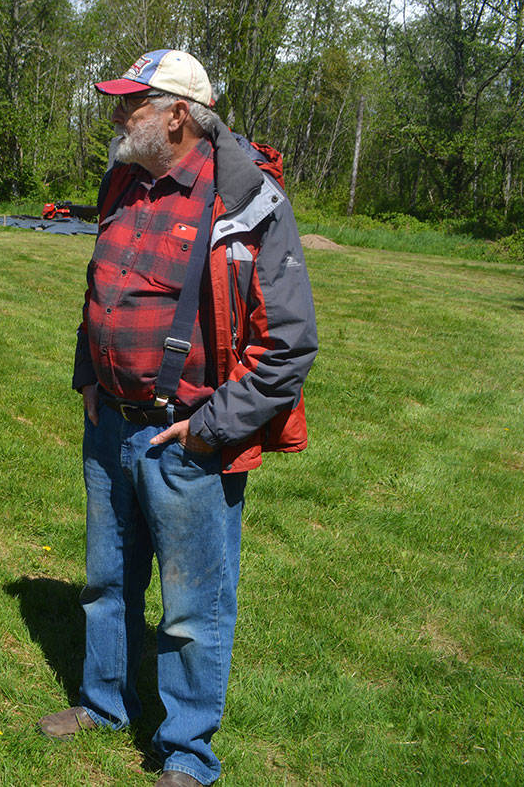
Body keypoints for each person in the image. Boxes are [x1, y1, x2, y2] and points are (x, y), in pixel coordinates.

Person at [36, 49, 318, 786]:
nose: (117, 114)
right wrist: (85, 376)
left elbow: (289, 345)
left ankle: (189, 753)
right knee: (105, 581)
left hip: (188, 437)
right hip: (110, 424)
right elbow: (102, 284)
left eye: (133, 103)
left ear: (178, 114)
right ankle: (104, 703)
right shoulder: (123, 179)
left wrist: (209, 427)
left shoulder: (247, 199)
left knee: (193, 607)